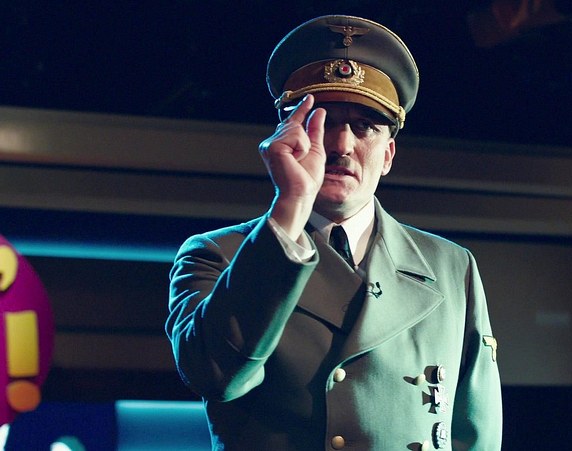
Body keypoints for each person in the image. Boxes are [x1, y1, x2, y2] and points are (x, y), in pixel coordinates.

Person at [166, 14, 502, 451]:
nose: (341, 146)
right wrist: (290, 205)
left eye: (365, 126)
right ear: (288, 138)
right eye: (321, 123)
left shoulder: (451, 266)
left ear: (388, 155)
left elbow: (476, 432)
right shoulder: (218, 254)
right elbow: (215, 375)